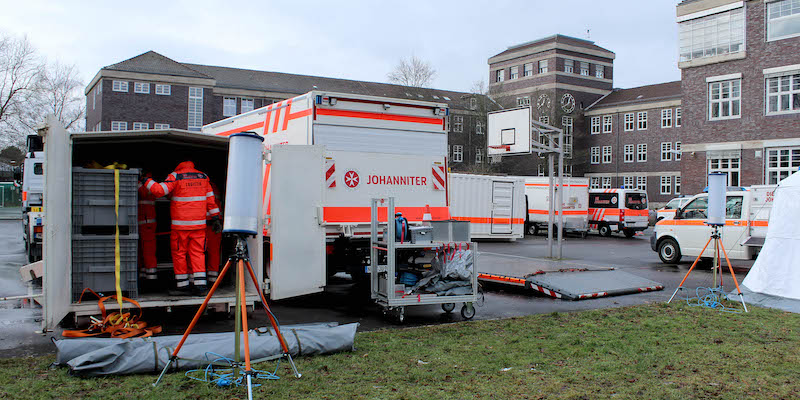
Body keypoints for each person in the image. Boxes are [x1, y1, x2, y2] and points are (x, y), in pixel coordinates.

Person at [145, 161, 221, 295]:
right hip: (199, 226)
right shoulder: (203, 177)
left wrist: (146, 180)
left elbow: (159, 191)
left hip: (180, 226)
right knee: (198, 254)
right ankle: (200, 286)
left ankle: (182, 286)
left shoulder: (176, 176)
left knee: (179, 254)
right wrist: (215, 218)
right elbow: (211, 200)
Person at [137, 172, 158, 290]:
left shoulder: (148, 185)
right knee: (141, 252)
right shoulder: (148, 184)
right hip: (143, 223)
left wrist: (138, 182)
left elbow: (143, 193)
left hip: (147, 223)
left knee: (148, 252)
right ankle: (144, 276)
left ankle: (151, 280)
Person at [205, 181, 223, 285]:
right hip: (215, 223)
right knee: (214, 252)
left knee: (197, 253)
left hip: (201, 224)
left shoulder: (202, 186)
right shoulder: (214, 186)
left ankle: (197, 279)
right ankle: (213, 279)